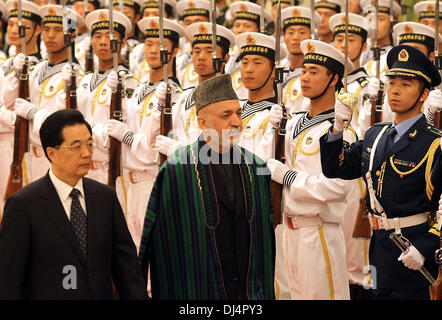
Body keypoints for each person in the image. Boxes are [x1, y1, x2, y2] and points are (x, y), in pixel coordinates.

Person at [319, 45, 442, 300]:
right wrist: (337, 129)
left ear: (424, 94)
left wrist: (425, 247)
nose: (395, 90)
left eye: (406, 84)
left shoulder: (434, 143)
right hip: (378, 251)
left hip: (413, 253)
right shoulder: (376, 134)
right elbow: (336, 167)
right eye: (392, 82)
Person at [138, 74, 275, 300]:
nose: (236, 122)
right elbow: (161, 244)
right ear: (202, 123)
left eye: (238, 113)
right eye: (226, 115)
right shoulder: (177, 170)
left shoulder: (255, 167)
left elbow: (264, 246)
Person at [0, 109, 147, 299]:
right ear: (51, 153)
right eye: (76, 146)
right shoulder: (23, 205)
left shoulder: (105, 198)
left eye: (89, 144)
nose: (87, 153)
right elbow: (9, 281)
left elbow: (127, 270)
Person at [258, 39, 357, 300]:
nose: (305, 78)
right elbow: (264, 164)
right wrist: (272, 130)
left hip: (318, 232)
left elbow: (336, 187)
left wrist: (291, 178)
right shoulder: (293, 123)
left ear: (334, 79)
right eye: (303, 71)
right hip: (288, 232)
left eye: (314, 72)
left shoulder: (340, 131)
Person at [104, 16, 184, 252]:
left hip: (150, 181)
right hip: (127, 181)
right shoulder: (138, 89)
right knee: (128, 253)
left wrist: (127, 136)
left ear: (174, 51)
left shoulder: (174, 94)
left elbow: (154, 149)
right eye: (148, 44)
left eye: (160, 45)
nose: (152, 51)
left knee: (151, 254)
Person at [4, 5, 83, 184]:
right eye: (46, 29)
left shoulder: (73, 74)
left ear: (70, 35)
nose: (50, 35)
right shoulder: (37, 68)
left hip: (53, 158)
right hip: (27, 154)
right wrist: (16, 76)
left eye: (58, 30)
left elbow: (65, 122)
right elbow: (9, 104)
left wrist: (34, 114)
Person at [77, 9, 137, 185]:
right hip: (82, 166)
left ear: (123, 42)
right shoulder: (85, 80)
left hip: (109, 167)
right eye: (97, 36)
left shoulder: (128, 82)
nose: (103, 42)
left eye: (109, 37)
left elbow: (126, 127)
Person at [0, 0, 42, 214]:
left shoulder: (39, 67)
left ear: (37, 29)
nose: (15, 30)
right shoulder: (5, 63)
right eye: (11, 25)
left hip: (20, 142)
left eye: (22, 25)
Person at [280, 5, 321, 114]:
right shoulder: (279, 67)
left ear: (312, 37)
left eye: (302, 32)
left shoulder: (316, 73)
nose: (296, 37)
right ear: (284, 37)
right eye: (290, 32)